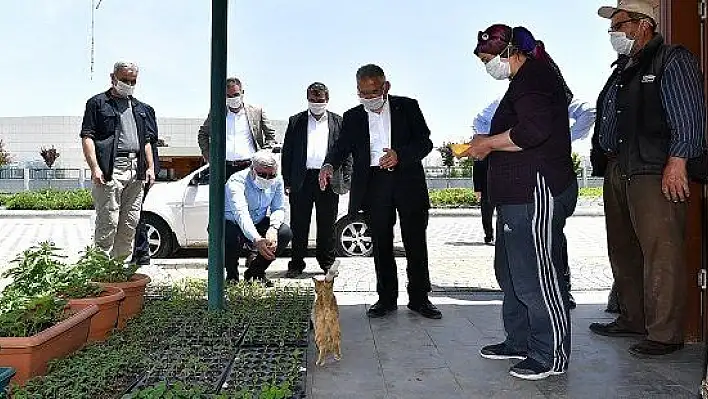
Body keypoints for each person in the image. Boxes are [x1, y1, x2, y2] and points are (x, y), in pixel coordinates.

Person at [589, 1, 706, 357]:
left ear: (643, 25)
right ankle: (633, 318)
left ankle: (665, 334)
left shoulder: (671, 59)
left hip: (655, 170)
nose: (613, 32)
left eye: (620, 24)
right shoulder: (624, 68)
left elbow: (689, 114)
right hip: (619, 168)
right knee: (623, 249)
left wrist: (678, 161)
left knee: (661, 251)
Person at [467, 25, 578, 380]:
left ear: (508, 52)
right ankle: (519, 340)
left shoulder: (535, 77)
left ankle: (550, 354)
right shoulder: (522, 81)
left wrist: (487, 144)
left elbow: (533, 132)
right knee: (512, 273)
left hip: (535, 190)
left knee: (536, 276)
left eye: (488, 59)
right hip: (514, 195)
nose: (487, 66)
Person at [319, 64, 442, 320]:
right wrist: (329, 164)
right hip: (374, 184)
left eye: (373, 92)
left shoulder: (407, 106)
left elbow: (425, 142)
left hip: (407, 180)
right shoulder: (353, 116)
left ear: (386, 86)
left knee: (415, 241)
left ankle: (420, 298)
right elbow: (342, 146)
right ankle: (386, 299)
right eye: (363, 93)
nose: (368, 98)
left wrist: (401, 156)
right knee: (382, 244)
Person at [472, 97, 597, 307]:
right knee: (514, 242)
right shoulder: (506, 102)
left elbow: (589, 113)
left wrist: (561, 139)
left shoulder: (552, 96)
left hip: (548, 179)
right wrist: (495, 143)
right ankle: (524, 293)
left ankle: (560, 291)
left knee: (551, 239)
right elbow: (480, 121)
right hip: (514, 180)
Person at [80, 61, 155, 260]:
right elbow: (87, 137)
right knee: (108, 221)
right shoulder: (97, 103)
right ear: (112, 77)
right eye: (124, 80)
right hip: (111, 169)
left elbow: (146, 140)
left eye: (133, 81)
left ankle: (120, 269)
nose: (128, 84)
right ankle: (101, 270)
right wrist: (95, 168)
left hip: (136, 170)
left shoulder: (140, 108)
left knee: (130, 223)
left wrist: (150, 167)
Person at [281, 82, 352, 278]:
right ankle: (296, 263)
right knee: (299, 224)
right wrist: (287, 180)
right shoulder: (296, 121)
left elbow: (346, 152)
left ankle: (326, 262)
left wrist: (346, 179)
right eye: (312, 100)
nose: (316, 103)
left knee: (327, 224)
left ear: (327, 100)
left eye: (320, 100)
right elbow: (287, 153)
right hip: (302, 179)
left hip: (329, 179)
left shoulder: (338, 121)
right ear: (307, 99)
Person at [224, 151, 292, 286]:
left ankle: (255, 273)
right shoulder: (236, 181)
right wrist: (257, 239)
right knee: (230, 236)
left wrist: (273, 228)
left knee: (284, 233)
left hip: (257, 220)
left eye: (271, 175)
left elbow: (278, 208)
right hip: (233, 222)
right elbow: (241, 214)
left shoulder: (277, 180)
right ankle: (232, 276)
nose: (267, 179)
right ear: (252, 170)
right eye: (262, 175)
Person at [197, 77, 276, 177]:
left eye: (236, 95)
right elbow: (203, 134)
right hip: (224, 168)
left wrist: (263, 155)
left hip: (250, 167)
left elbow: (271, 136)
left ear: (242, 93)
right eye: (228, 96)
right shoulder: (217, 112)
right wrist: (209, 156)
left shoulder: (256, 112)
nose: (232, 99)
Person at [132, 104, 160, 265]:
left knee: (136, 212)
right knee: (135, 213)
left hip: (143, 169)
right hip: (139, 168)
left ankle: (141, 252)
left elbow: (150, 136)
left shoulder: (143, 110)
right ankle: (139, 252)